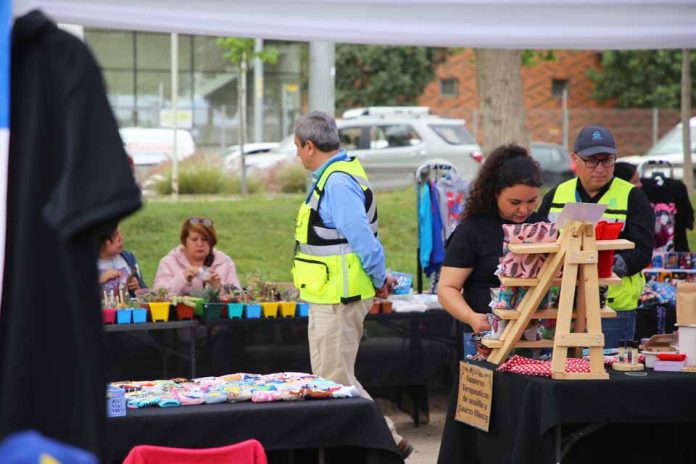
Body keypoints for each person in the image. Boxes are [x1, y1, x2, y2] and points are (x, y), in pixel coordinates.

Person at [290, 111, 411, 459]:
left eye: (298, 147)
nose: (297, 154)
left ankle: (382, 441)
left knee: (334, 380)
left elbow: (362, 239)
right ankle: (384, 439)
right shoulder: (335, 176)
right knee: (337, 376)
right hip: (332, 294)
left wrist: (378, 277)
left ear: (310, 146)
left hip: (337, 297)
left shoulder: (337, 183)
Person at [435, 144, 544, 464]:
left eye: (531, 201)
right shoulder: (472, 231)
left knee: (522, 422)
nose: (524, 210)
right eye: (514, 202)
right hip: (483, 339)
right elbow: (447, 289)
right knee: (484, 422)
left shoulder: (541, 227)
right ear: (493, 193)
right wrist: (473, 318)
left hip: (535, 339)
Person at [539, 125, 654, 347]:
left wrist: (602, 269)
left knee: (609, 373)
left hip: (614, 305)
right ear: (575, 159)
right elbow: (540, 239)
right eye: (592, 160)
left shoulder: (633, 197)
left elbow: (642, 250)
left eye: (607, 160)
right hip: (561, 303)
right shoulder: (556, 195)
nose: (600, 168)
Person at [153, 217, 241, 295]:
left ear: (211, 242)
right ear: (184, 241)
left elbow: (238, 297)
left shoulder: (224, 262)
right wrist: (183, 278)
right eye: (194, 239)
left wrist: (218, 288)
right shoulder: (168, 262)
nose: (200, 244)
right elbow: (158, 296)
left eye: (205, 239)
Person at [98, 225, 146, 297]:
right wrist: (100, 281)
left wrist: (137, 288)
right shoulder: (86, 265)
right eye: (115, 236)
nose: (121, 238)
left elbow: (145, 295)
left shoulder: (129, 259)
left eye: (120, 233)